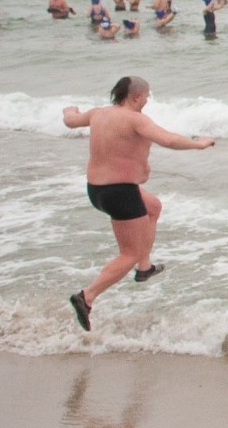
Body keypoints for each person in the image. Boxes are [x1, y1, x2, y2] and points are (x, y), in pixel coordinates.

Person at [62, 76, 215, 331]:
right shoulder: (135, 119)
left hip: (97, 189)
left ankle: (145, 267)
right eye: (146, 96)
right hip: (120, 192)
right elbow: (167, 139)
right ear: (135, 97)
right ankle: (86, 297)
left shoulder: (98, 114)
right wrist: (198, 144)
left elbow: (71, 121)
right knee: (128, 253)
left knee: (153, 207)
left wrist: (70, 112)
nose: (147, 101)